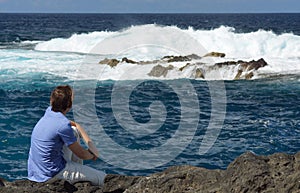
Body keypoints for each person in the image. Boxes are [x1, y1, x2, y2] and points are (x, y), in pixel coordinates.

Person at [27, 85, 106, 186]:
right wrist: (92, 154)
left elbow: (69, 125)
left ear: (52, 101)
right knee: (103, 179)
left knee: (74, 131)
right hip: (52, 174)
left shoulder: (49, 111)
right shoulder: (63, 125)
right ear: (69, 104)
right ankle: (75, 174)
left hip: (36, 172)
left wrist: (78, 126)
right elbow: (82, 154)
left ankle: (76, 169)